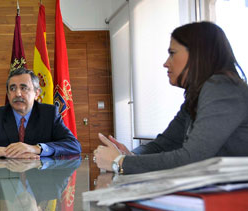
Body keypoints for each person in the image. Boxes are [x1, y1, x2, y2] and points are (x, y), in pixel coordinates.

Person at [94, 21, 248, 175]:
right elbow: (163, 144)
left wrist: (120, 162)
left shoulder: (223, 88)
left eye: (172, 53)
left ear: (197, 54)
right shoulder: (195, 97)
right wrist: (130, 156)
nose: (165, 63)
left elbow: (192, 159)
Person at [0, 67, 81, 158]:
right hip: (4, 182)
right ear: (8, 94)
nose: (17, 94)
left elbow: (73, 145)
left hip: (41, 183)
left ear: (37, 93)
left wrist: (36, 149)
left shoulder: (49, 114)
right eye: (12, 89)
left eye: (24, 88)